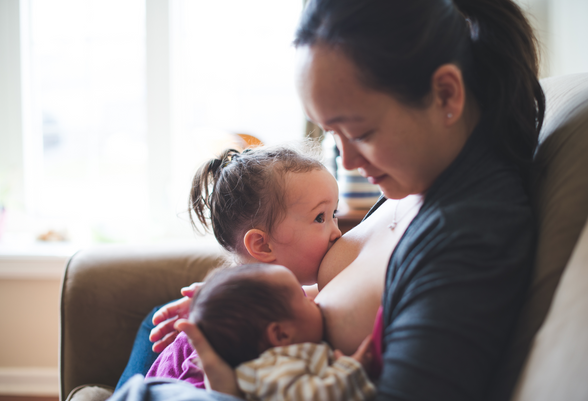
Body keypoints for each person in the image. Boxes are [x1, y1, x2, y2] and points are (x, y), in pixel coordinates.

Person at [112, 0, 545, 400]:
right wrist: (236, 306)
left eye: (361, 131)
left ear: (446, 95)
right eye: (334, 136)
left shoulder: (469, 237)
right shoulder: (421, 183)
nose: (351, 162)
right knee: (157, 319)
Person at [117, 144, 343, 389]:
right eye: (320, 217)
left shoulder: (279, 299)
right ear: (262, 245)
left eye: (334, 213)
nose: (337, 233)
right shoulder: (231, 331)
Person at [178, 263, 376, 400]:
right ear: (280, 335)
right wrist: (350, 370)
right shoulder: (273, 367)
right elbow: (311, 397)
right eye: (302, 298)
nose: (312, 300)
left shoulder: (277, 362)